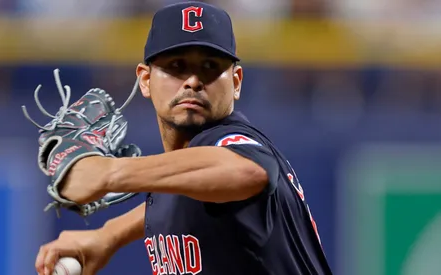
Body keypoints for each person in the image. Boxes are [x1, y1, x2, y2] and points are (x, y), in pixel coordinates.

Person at [35, 1, 333, 275]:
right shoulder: (187, 173)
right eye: (176, 66)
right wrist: (109, 235)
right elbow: (181, 191)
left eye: (210, 67)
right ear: (146, 80)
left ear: (237, 83)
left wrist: (110, 172)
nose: (192, 81)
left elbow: (247, 170)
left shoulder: (230, 140)